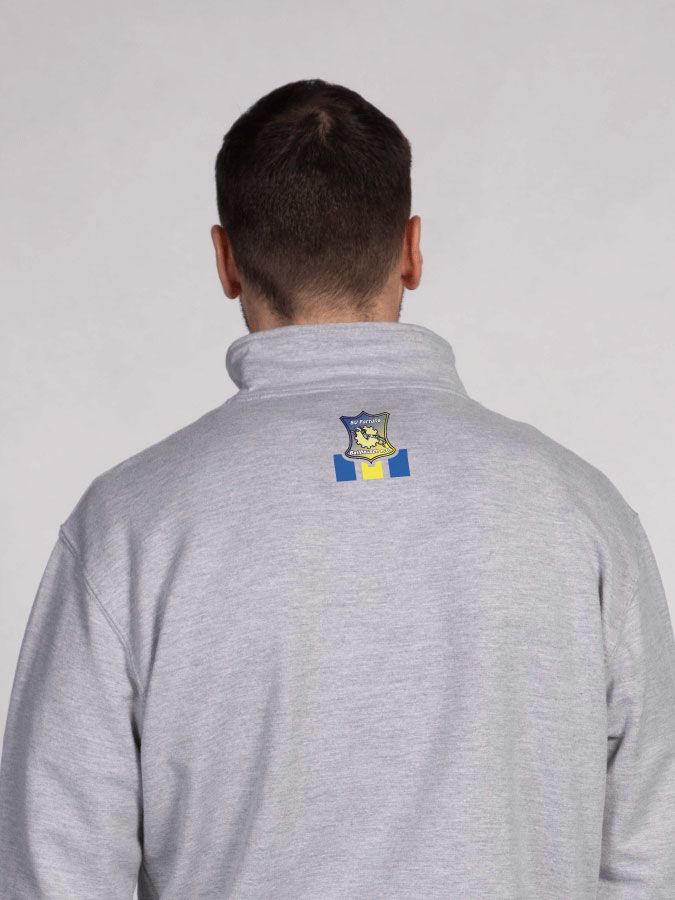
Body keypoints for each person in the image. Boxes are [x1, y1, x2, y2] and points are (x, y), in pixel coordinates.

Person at [0, 77, 674, 900]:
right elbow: (649, 857)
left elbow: (57, 873)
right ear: (412, 250)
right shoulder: (580, 511)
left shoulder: (129, 527)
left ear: (225, 261)